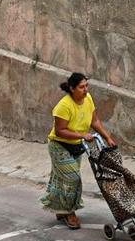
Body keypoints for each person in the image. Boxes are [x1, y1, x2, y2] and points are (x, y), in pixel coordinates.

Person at [40, 72, 116, 230]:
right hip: (59, 145)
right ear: (72, 88)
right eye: (82, 87)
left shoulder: (88, 99)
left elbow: (94, 121)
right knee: (73, 178)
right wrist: (82, 134)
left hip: (77, 145)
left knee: (63, 179)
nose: (86, 89)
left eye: (87, 86)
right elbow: (60, 131)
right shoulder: (64, 106)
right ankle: (70, 212)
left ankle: (60, 210)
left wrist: (107, 137)